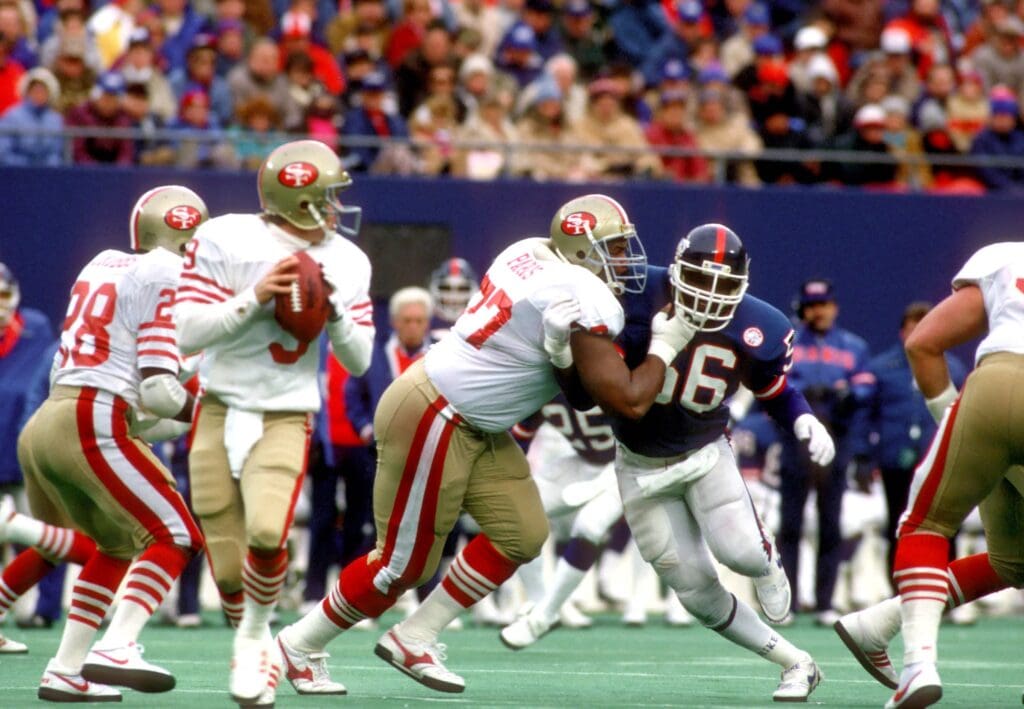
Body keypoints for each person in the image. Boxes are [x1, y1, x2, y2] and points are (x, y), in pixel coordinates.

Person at [274, 193, 696, 695]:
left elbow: (572, 384)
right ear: (582, 252)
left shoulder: (528, 251)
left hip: (472, 419)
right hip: (436, 412)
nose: (625, 259)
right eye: (613, 248)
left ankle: (417, 636)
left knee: (522, 532)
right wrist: (668, 345)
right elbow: (613, 400)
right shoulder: (584, 293)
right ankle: (298, 645)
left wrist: (560, 350)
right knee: (401, 565)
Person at [174, 139, 374, 707]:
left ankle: (257, 640)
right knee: (229, 567)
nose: (337, 208)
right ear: (298, 200)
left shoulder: (348, 260)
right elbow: (186, 331)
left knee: (267, 532)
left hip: (286, 409)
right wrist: (254, 298)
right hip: (218, 404)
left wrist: (333, 314)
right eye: (328, 197)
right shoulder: (227, 237)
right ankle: (250, 634)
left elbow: (359, 360)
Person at [596, 224, 831, 702]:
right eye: (700, 280)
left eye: (724, 286)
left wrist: (804, 418)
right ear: (678, 269)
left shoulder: (760, 326)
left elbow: (774, 391)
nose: (708, 296)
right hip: (639, 464)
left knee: (740, 554)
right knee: (697, 595)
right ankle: (794, 662)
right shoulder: (636, 293)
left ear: (743, 286)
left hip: (705, 453)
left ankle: (766, 564)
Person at [14, 185, 209, 701]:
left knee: (117, 545)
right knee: (177, 535)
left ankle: (65, 667)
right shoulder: (166, 272)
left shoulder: (102, 262)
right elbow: (159, 391)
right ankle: (117, 645)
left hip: (51, 419)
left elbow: (117, 388)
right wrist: (210, 412)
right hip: (90, 418)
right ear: (185, 237)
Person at [834, 242, 1024, 708]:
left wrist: (955, 421)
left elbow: (923, 343)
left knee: (957, 536)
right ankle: (896, 641)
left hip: (996, 388)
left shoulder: (1005, 256)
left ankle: (908, 653)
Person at [778, 277, 872, 626]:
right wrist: (808, 391)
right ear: (803, 308)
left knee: (830, 522)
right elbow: (776, 381)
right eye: (812, 305)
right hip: (796, 438)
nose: (819, 311)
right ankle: (786, 601)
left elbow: (865, 385)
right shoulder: (788, 341)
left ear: (834, 306)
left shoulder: (852, 345)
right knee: (790, 523)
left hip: (837, 435)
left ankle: (825, 602)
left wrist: (846, 393)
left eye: (825, 304)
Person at [500, 394, 628, 647]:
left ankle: (547, 611)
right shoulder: (541, 382)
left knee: (589, 526)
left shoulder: (601, 367)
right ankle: (540, 601)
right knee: (516, 512)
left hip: (629, 463)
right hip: (581, 460)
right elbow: (518, 440)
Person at [852, 301, 968, 574]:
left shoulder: (955, 368)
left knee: (946, 524)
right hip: (896, 458)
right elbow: (864, 415)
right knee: (898, 523)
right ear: (902, 332)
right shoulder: (881, 368)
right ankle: (900, 592)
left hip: (940, 457)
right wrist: (862, 455)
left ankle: (946, 587)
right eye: (913, 328)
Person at [427, 257, 479, 338]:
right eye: (446, 288)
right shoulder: (422, 322)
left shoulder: (481, 323)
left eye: (462, 288)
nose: (454, 297)